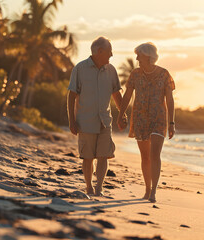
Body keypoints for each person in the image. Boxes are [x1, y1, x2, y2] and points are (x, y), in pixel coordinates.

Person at [67, 36, 125, 196]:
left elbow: (117, 95)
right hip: (85, 121)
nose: (111, 55)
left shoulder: (111, 70)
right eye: (109, 51)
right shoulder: (80, 69)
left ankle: (98, 188)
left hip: (105, 121)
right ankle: (88, 186)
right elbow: (71, 96)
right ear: (99, 51)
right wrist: (71, 120)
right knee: (87, 157)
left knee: (103, 156)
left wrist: (122, 114)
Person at [117, 42, 175, 202]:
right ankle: (147, 189)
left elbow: (170, 100)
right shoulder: (135, 74)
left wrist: (172, 123)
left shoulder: (164, 74)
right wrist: (121, 114)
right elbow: (127, 96)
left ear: (148, 56)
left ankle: (154, 192)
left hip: (159, 118)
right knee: (145, 156)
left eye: (139, 55)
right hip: (140, 118)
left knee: (154, 154)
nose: (136, 58)